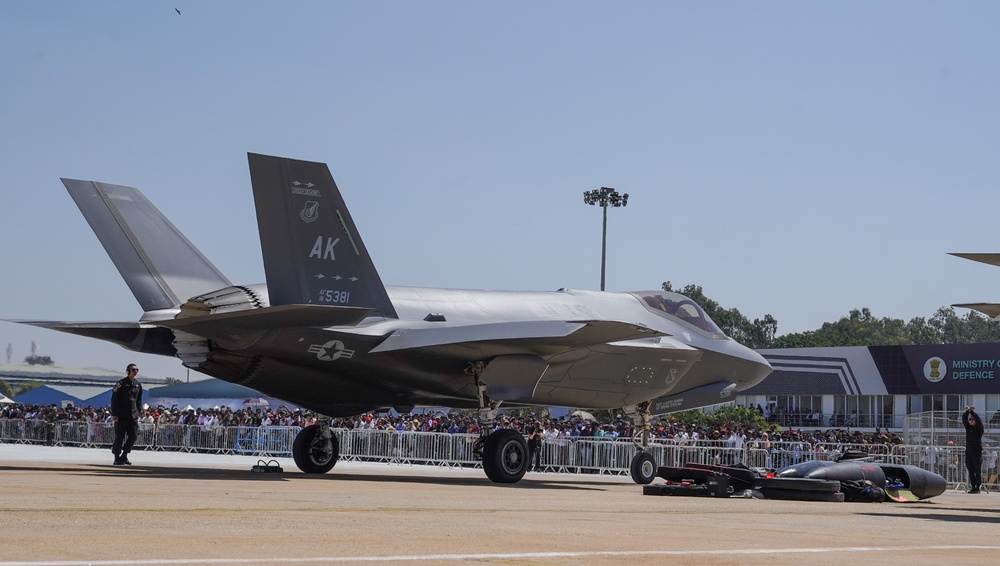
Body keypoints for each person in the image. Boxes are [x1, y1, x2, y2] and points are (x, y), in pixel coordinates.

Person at [110, 363, 143, 465]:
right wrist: (114, 413)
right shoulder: (121, 383)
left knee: (133, 436)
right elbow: (114, 399)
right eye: (133, 369)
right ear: (128, 370)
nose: (135, 371)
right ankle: (117, 457)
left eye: (137, 370)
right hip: (121, 415)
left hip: (133, 415)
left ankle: (124, 455)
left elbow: (138, 400)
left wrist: (139, 411)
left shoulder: (138, 385)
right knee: (119, 436)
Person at [962, 405, 984, 493]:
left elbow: (978, 420)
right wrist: (967, 412)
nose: (970, 421)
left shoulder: (979, 429)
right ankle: (973, 486)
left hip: (977, 452)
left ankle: (978, 487)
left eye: (972, 419)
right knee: (970, 470)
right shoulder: (968, 428)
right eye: (970, 419)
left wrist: (972, 412)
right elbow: (964, 420)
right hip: (969, 451)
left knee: (977, 470)